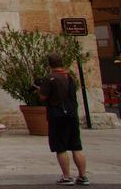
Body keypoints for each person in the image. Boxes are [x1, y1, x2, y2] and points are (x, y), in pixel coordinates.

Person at [37, 53, 88, 185]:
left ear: (49, 64)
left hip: (58, 115)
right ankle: (83, 176)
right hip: (72, 114)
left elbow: (43, 97)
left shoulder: (50, 78)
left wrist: (38, 89)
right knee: (76, 146)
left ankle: (67, 176)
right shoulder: (70, 77)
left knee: (61, 147)